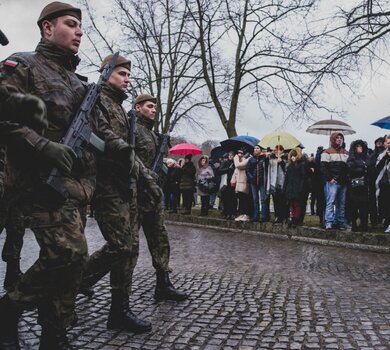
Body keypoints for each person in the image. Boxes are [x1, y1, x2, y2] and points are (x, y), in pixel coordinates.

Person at [0, 3, 127, 348]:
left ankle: (54, 335)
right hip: (36, 182)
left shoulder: (79, 83)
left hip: (77, 186)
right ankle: (10, 307)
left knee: (70, 267)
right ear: (46, 28)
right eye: (70, 24)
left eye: (81, 27)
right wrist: (42, 146)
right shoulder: (22, 65)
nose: (79, 32)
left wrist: (117, 149)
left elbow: (98, 132)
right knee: (67, 255)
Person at [79, 54, 152, 333]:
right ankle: (79, 281)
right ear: (106, 73)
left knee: (129, 250)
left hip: (125, 186)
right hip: (106, 187)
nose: (127, 79)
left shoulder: (121, 108)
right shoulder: (97, 99)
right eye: (122, 74)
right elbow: (103, 139)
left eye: (128, 75)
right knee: (120, 245)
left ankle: (119, 310)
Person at [133, 93, 188, 301]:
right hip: (136, 194)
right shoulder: (132, 129)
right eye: (149, 106)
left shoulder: (153, 134)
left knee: (160, 241)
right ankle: (87, 281)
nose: (153, 109)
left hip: (154, 195)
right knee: (126, 247)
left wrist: (166, 164)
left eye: (155, 107)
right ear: (138, 107)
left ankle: (163, 284)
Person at [320, 132, 350, 230]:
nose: (339, 139)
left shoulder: (346, 152)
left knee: (341, 203)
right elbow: (323, 167)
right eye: (337, 138)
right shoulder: (326, 152)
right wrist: (330, 178)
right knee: (330, 202)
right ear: (333, 139)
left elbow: (347, 167)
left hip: (343, 182)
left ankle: (340, 222)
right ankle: (329, 222)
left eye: (341, 138)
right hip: (332, 182)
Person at [347, 140, 370, 232]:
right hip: (354, 186)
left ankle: (364, 224)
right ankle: (354, 224)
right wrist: (361, 169)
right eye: (357, 146)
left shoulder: (366, 157)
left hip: (364, 185)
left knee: (364, 206)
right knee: (354, 206)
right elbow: (350, 169)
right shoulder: (351, 157)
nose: (359, 148)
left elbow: (370, 169)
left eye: (361, 146)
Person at [284, 148, 308, 227]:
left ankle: (296, 219)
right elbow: (287, 178)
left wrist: (300, 189)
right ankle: (293, 218)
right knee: (292, 205)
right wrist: (285, 188)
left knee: (297, 205)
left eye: (294, 156)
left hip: (297, 189)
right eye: (291, 156)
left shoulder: (301, 165)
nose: (292, 158)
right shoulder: (290, 166)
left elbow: (303, 178)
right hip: (290, 189)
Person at [246, 146, 270, 222]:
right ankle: (256, 216)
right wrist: (251, 177)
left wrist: (266, 157)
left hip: (262, 182)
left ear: (261, 150)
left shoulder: (264, 158)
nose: (255, 149)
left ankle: (264, 216)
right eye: (255, 148)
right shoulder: (251, 159)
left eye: (257, 148)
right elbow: (247, 170)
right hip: (253, 182)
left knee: (263, 200)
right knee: (255, 199)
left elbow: (267, 167)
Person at [266, 145, 288, 223]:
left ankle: (284, 217)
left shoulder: (286, 158)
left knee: (283, 201)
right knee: (276, 201)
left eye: (277, 150)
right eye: (275, 150)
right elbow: (268, 168)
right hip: (274, 182)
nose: (276, 151)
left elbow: (287, 169)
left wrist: (281, 162)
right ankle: (277, 216)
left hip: (282, 182)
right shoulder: (272, 158)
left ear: (282, 150)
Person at [375, 134, 390, 233]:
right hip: (384, 184)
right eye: (388, 142)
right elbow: (377, 168)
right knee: (386, 205)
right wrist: (386, 157)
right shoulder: (382, 155)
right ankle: (387, 223)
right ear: (384, 143)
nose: (389, 144)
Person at [232, 149, 251, 222]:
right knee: (241, 199)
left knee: (245, 198)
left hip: (244, 181)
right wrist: (233, 179)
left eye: (241, 153)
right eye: (238, 153)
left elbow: (238, 165)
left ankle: (246, 214)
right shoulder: (241, 160)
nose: (239, 154)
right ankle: (242, 214)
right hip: (239, 182)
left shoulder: (248, 159)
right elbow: (236, 170)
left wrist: (236, 158)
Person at [218, 151, 237, 219]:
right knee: (226, 199)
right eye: (229, 155)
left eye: (232, 155)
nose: (230, 156)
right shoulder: (225, 162)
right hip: (225, 183)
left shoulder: (236, 163)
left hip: (233, 183)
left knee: (233, 199)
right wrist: (228, 169)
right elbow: (220, 171)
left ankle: (232, 213)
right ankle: (226, 213)